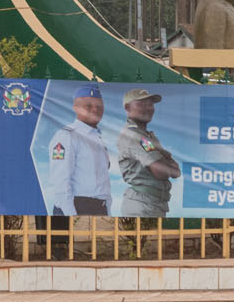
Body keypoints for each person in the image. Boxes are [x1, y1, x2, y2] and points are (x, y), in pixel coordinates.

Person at [45, 83, 111, 217]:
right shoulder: (67, 136)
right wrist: (72, 215)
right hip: (75, 207)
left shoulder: (98, 139)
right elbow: (61, 181)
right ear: (75, 108)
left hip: (99, 208)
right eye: (88, 106)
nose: (95, 110)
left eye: (99, 106)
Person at [115, 88, 179, 218]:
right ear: (127, 107)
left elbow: (176, 171)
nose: (148, 108)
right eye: (141, 104)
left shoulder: (148, 136)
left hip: (154, 203)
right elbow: (161, 172)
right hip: (142, 205)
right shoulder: (133, 135)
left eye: (150, 104)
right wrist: (166, 164)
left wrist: (167, 165)